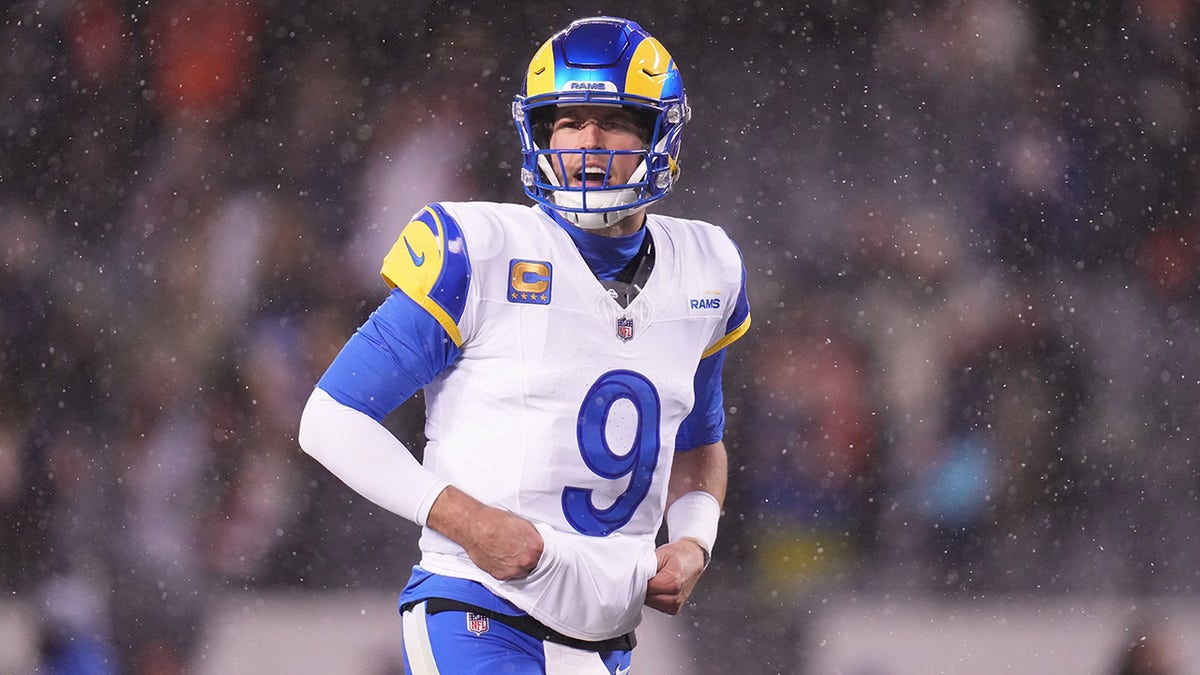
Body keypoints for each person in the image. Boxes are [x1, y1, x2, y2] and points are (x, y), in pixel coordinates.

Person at [299, 16, 751, 674]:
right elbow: (330, 418)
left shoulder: (708, 267)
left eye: (614, 120)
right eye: (568, 121)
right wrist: (469, 522)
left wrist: (693, 542)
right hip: (478, 607)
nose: (588, 142)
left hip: (606, 638)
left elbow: (699, 441)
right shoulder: (478, 251)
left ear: (661, 132)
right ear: (538, 133)